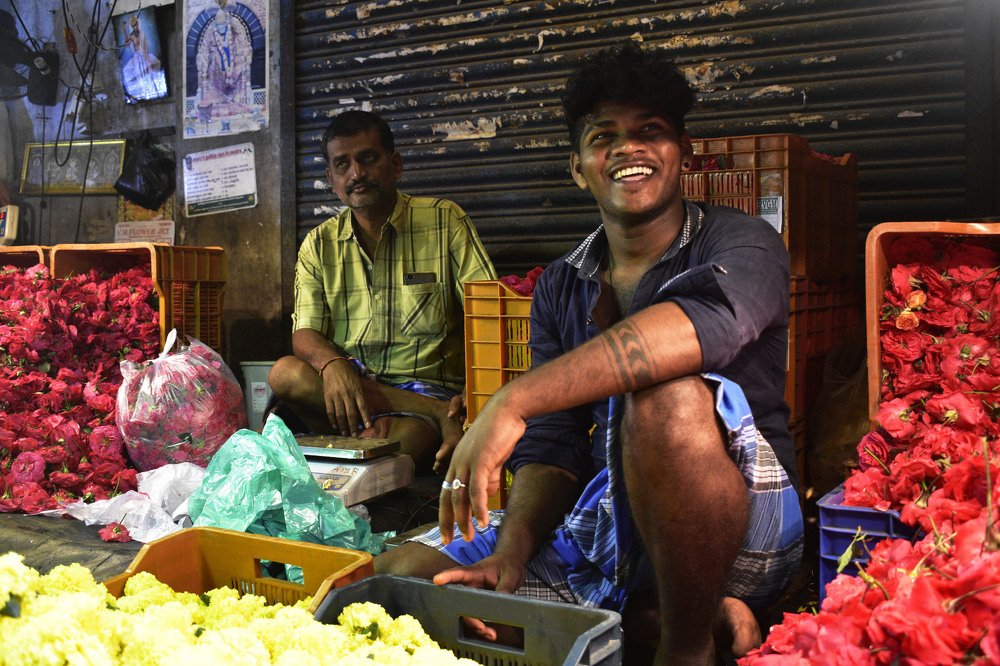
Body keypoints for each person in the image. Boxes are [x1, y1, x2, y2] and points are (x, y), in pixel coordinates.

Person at [375, 43, 804, 665]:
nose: (628, 149)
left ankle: (686, 647)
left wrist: (511, 400)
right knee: (401, 575)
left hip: (742, 527)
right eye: (605, 137)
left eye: (650, 132)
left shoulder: (744, 244)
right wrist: (512, 556)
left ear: (680, 154)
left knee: (666, 396)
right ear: (579, 167)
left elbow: (689, 332)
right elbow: (555, 446)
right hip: (609, 522)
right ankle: (653, 611)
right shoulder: (561, 285)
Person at [268, 110, 496, 474]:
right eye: (342, 164)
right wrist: (332, 364)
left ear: (396, 164)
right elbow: (305, 333)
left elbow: (487, 314)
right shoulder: (318, 243)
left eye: (368, 158)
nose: (356, 174)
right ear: (331, 179)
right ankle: (391, 436)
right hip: (351, 394)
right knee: (285, 374)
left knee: (413, 443)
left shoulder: (444, 220)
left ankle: (390, 437)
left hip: (427, 392)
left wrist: (473, 398)